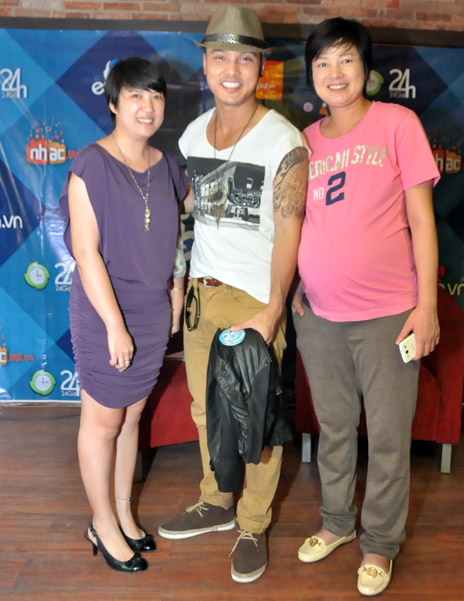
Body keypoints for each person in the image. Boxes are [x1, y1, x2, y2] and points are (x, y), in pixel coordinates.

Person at [158, 5, 308, 584]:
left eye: (244, 59)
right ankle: (217, 501)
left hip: (253, 301)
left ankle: (252, 522)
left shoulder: (283, 140)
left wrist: (273, 310)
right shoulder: (193, 134)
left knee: (256, 420)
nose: (231, 69)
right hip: (203, 294)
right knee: (206, 410)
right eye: (220, 57)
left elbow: (290, 231)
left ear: (260, 68)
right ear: (204, 64)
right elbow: (194, 210)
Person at [292, 17, 440, 596]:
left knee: (387, 437)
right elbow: (297, 223)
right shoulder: (303, 142)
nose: (335, 73)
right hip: (320, 318)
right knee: (333, 429)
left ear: (367, 68)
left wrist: (426, 307)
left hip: (389, 316)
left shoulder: (398, 124)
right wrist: (297, 283)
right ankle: (336, 523)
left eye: (346, 59)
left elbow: (422, 221)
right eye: (323, 62)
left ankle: (379, 543)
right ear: (311, 73)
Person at [60, 57, 188, 573]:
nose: (147, 106)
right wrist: (115, 325)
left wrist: (177, 289)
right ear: (114, 103)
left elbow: (178, 236)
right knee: (103, 419)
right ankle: (101, 523)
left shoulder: (167, 165)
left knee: (133, 416)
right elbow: (85, 253)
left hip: (153, 309)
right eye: (135, 95)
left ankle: (122, 513)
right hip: (104, 310)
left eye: (155, 96)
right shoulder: (90, 164)